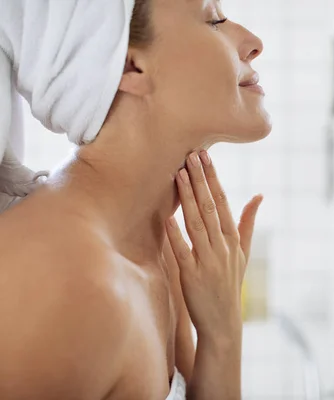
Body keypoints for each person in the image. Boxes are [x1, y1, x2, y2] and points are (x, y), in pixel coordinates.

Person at [0, 0, 270, 399]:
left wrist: (223, 332)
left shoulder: (156, 250)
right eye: (214, 21)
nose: (253, 42)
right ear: (130, 67)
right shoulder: (65, 284)